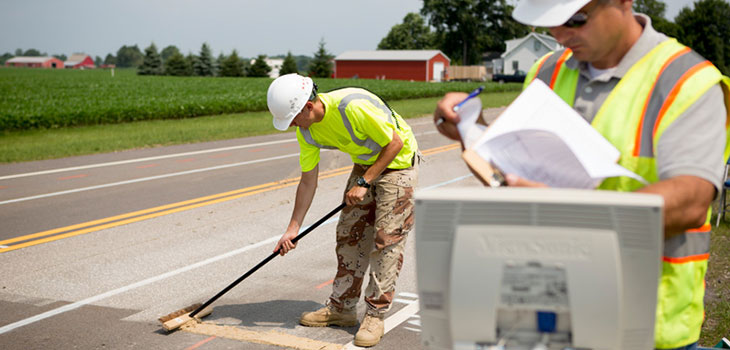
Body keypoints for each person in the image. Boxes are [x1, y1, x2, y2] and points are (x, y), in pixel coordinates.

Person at [434, 1, 730, 349]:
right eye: (550, 25)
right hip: (546, 315)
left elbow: (690, 202)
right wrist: (471, 131)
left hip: (644, 328)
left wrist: (561, 211)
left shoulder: (686, 81)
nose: (560, 34)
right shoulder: (547, 70)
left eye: (575, 20)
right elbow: (514, 170)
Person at [266, 73, 419, 347]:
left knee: (386, 240)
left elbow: (394, 143)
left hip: (399, 162)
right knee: (350, 234)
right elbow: (308, 181)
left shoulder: (352, 106)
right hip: (366, 165)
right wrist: (293, 229)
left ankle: (375, 314)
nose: (292, 125)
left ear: (308, 107)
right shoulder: (307, 131)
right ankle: (342, 308)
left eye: (293, 118)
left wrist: (364, 182)